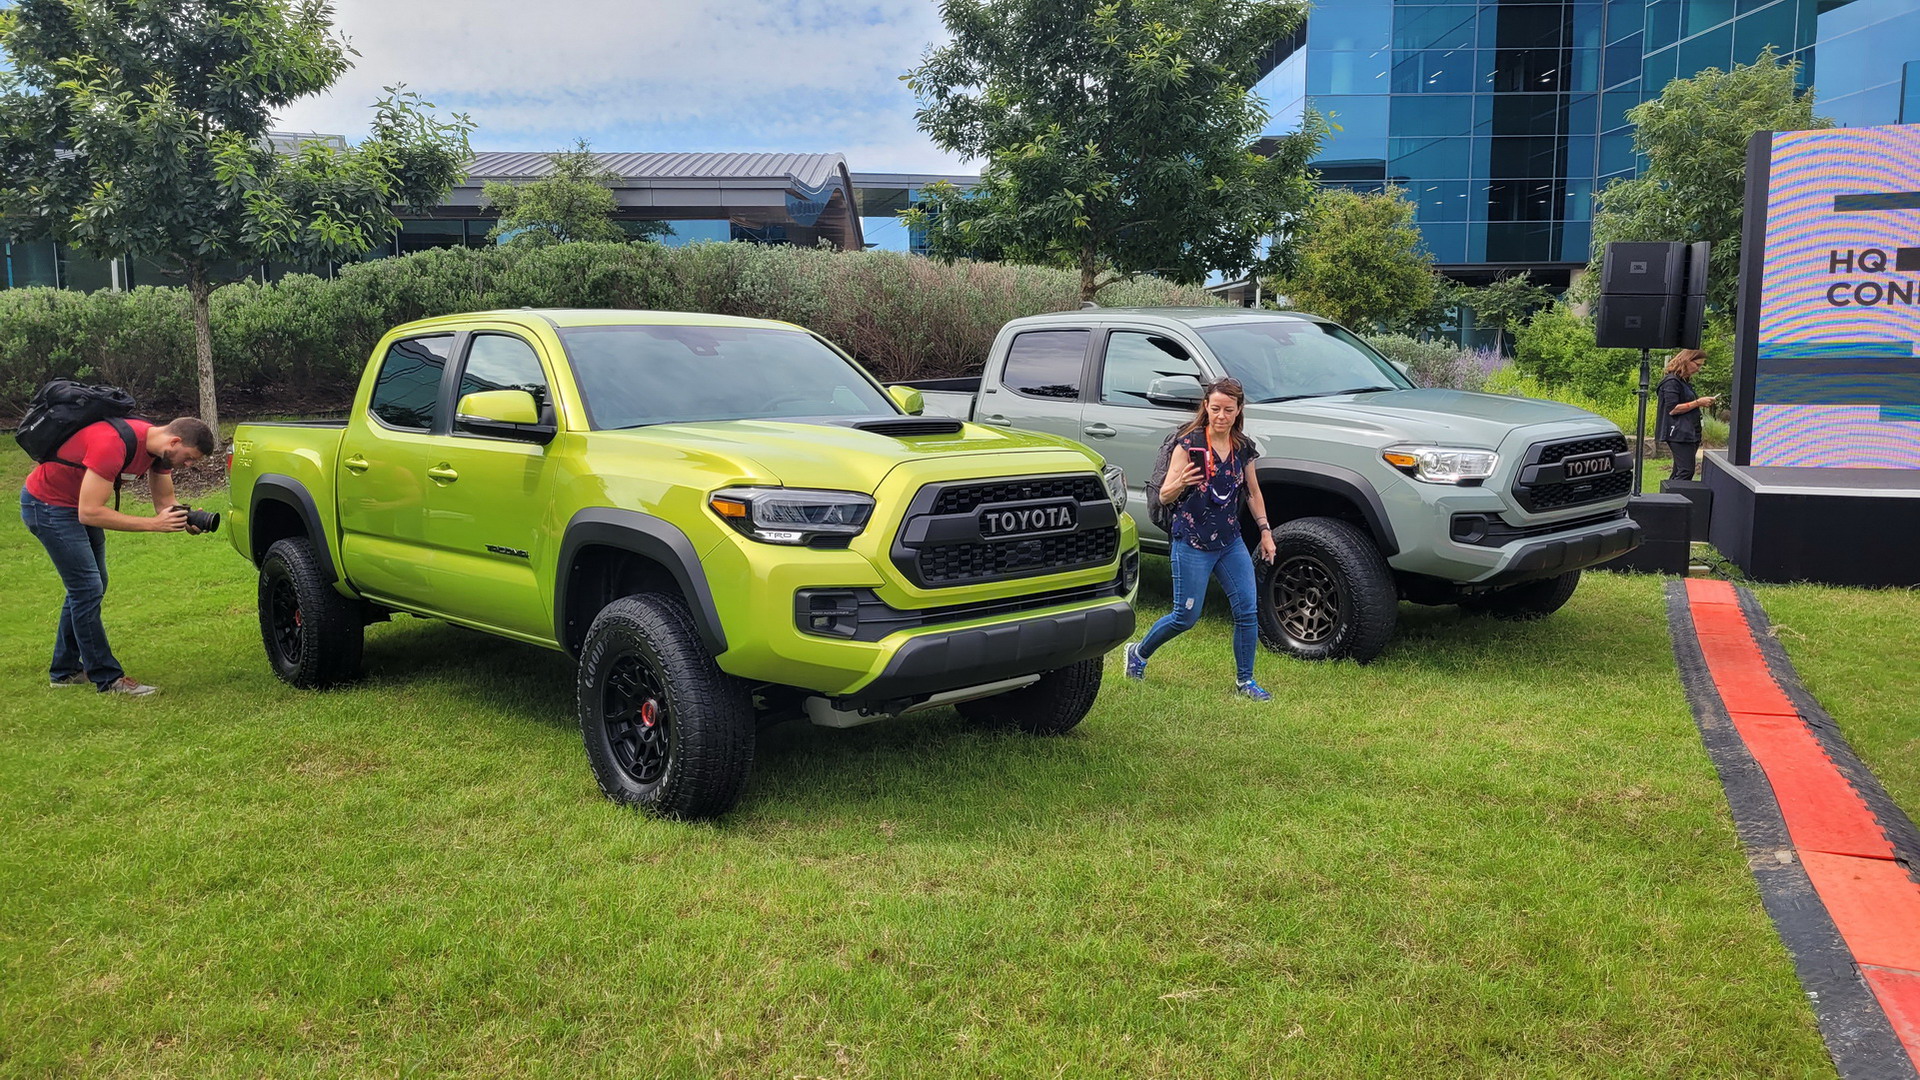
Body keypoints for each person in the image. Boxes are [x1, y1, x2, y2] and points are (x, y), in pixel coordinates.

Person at [19, 415, 216, 695]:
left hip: (74, 507)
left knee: (90, 585)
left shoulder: (160, 453)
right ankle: (108, 678)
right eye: (190, 458)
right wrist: (153, 525)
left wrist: (186, 518)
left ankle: (65, 671)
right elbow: (90, 511)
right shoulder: (113, 443)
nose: (188, 465)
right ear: (175, 441)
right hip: (49, 506)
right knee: (87, 588)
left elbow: (165, 503)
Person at [1124, 377, 1278, 701]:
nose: (1221, 416)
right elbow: (1164, 496)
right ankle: (1138, 653)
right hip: (1192, 540)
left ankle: (1245, 682)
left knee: (1247, 611)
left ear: (1238, 411)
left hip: (1230, 541)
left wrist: (1265, 532)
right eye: (1215, 408)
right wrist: (1179, 481)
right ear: (1206, 407)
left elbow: (1252, 492)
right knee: (1185, 617)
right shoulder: (1188, 443)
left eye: (1228, 410)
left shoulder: (1243, 448)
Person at [1656, 349, 1713, 482]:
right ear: (1686, 361)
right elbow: (1673, 409)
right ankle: (1675, 500)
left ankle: (1669, 499)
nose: (1698, 369)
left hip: (1689, 432)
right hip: (1678, 433)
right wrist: (1698, 402)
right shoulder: (1671, 382)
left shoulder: (1683, 382)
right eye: (1697, 365)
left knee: (1679, 470)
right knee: (1686, 471)